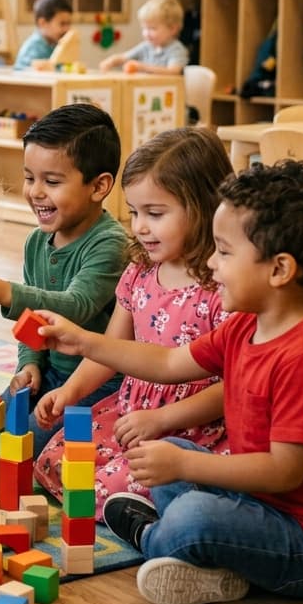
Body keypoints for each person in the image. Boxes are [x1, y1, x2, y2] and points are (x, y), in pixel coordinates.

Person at [37, 159, 303, 604]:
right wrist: (85, 341)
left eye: (225, 252)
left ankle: (153, 537)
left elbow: (283, 471)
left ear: (279, 270)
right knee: (180, 458)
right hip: (263, 505)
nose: (211, 263)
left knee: (193, 511)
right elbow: (169, 360)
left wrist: (183, 467)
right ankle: (211, 556)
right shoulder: (246, 328)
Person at [33, 127, 233, 519]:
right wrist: (70, 392)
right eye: (135, 212)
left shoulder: (222, 287)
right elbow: (109, 351)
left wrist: (161, 418)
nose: (140, 226)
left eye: (155, 214)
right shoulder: (139, 272)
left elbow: (234, 387)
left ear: (206, 208)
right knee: (58, 460)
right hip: (131, 410)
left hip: (193, 423)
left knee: (130, 482)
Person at [0, 103, 128, 448]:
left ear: (99, 186)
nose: (35, 192)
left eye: (52, 181)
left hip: (98, 382)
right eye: (30, 177)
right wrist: (29, 363)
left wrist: (6, 293)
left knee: (23, 445)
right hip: (48, 373)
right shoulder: (37, 241)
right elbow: (33, 322)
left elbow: (76, 305)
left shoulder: (111, 243)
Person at [99, 0, 189, 75]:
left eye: (152, 28)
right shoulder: (146, 46)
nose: (146, 33)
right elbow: (124, 57)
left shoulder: (176, 49)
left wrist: (142, 67)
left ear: (172, 29)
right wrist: (111, 61)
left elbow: (173, 71)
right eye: (144, 28)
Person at [14, 0, 73, 69]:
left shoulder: (55, 45)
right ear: (43, 23)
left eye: (69, 23)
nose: (67, 29)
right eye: (62, 24)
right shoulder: (34, 48)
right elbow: (26, 73)